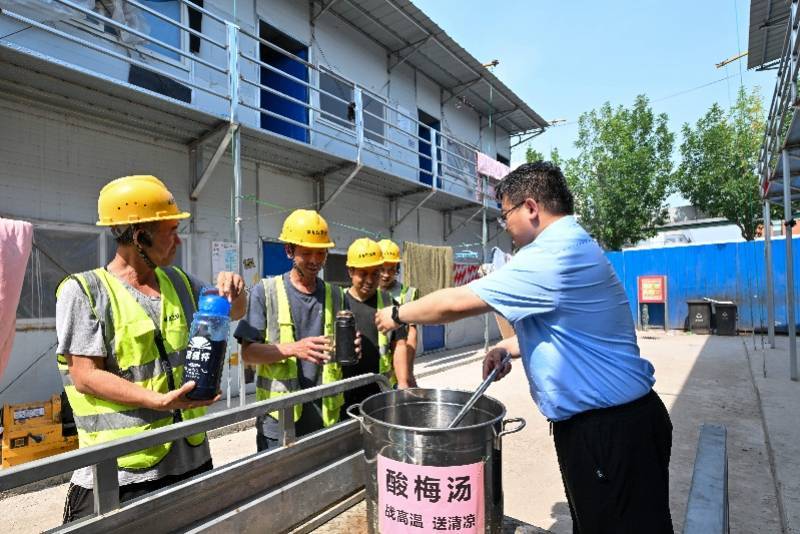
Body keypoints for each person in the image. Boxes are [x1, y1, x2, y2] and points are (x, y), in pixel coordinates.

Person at [375, 162, 673, 534]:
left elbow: (456, 303)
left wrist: (398, 313)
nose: (506, 227)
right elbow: (565, 332)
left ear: (530, 207)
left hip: (610, 431)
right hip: (613, 426)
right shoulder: (573, 245)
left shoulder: (554, 254)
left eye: (506, 215)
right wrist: (508, 348)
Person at [57, 175, 246, 523]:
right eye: (170, 231)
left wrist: (237, 287)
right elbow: (85, 376)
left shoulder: (180, 281)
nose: (178, 240)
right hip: (122, 473)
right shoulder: (84, 291)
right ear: (137, 234)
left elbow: (235, 310)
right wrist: (157, 400)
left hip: (191, 458)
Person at [235, 209, 350, 451]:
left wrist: (351, 349)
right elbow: (248, 354)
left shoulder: (337, 295)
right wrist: (293, 349)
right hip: (280, 418)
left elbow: (343, 356)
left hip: (326, 414)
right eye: (306, 252)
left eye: (321, 252)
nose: (314, 260)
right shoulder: (264, 292)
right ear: (289, 251)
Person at [343, 238, 413, 408]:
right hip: (343, 391)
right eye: (363, 273)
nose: (369, 279)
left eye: (375, 273)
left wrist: (403, 382)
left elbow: (400, 345)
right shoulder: (338, 300)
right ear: (351, 271)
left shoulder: (389, 304)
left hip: (380, 390)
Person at [377, 238, 418, 384]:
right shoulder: (366, 291)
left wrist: (409, 370)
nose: (386, 275)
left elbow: (412, 333)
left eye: (391, 269)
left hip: (397, 368)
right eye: (382, 269)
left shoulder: (407, 294)